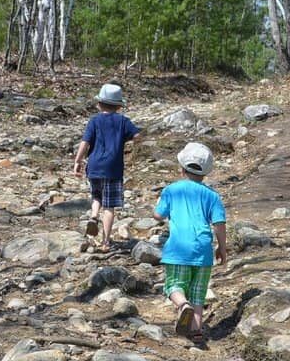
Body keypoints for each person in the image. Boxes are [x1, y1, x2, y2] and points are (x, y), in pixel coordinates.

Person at [152, 142, 227, 342]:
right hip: (203, 250)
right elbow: (219, 223)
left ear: (181, 168)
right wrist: (222, 247)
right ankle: (196, 329)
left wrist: (159, 206)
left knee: (173, 286)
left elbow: (158, 215)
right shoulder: (212, 195)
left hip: (178, 249)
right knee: (198, 292)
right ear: (206, 173)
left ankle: (182, 305)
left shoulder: (171, 190)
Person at [73, 83, 141, 252]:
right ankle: (105, 242)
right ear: (119, 106)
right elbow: (138, 135)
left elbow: (85, 142)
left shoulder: (94, 121)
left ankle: (94, 216)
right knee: (109, 206)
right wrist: (127, 142)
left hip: (94, 166)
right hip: (113, 168)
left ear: (99, 103)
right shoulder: (123, 121)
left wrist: (78, 161)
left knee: (97, 196)